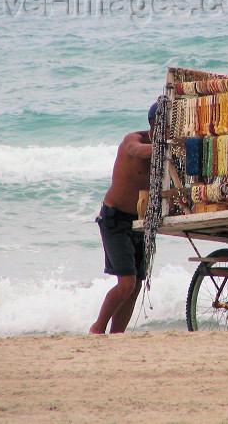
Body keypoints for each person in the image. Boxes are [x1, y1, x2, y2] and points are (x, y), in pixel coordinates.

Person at [89, 103, 157, 334]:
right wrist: (169, 146)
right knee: (126, 283)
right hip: (115, 218)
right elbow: (139, 151)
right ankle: (97, 329)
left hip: (141, 221)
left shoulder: (167, 151)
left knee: (136, 285)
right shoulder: (133, 140)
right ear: (153, 124)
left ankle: (117, 335)